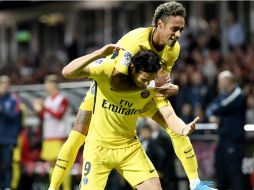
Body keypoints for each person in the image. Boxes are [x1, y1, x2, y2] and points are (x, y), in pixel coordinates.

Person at [49, 2, 215, 190]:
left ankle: (195, 182)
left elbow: (161, 80)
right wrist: (151, 84)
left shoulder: (173, 50)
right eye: (175, 29)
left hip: (141, 99)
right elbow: (117, 82)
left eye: (181, 30)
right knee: (77, 135)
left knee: (175, 126)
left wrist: (170, 88)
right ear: (160, 24)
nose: (178, 35)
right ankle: (53, 187)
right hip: (104, 93)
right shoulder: (133, 43)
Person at [62, 43, 199, 190]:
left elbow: (169, 116)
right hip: (98, 149)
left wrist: (183, 129)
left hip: (128, 148)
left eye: (150, 80)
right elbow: (67, 72)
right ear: (133, 68)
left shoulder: (152, 88)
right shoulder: (107, 72)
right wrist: (99, 53)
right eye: (144, 79)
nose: (146, 84)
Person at [206, 70, 246, 190]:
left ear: (227, 81)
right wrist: (212, 116)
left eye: (220, 81)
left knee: (235, 176)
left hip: (234, 141)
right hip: (223, 139)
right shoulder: (223, 95)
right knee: (221, 174)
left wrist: (215, 113)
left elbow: (220, 107)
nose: (218, 83)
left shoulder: (238, 94)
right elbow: (210, 109)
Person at [33, 75, 72, 190]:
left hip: (60, 136)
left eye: (47, 84)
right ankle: (53, 187)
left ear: (53, 85)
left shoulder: (62, 99)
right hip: (48, 137)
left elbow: (58, 115)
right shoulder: (47, 100)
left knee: (62, 165)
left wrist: (44, 107)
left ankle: (66, 188)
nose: (46, 87)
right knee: (51, 165)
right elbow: (43, 117)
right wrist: (38, 111)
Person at [0, 75, 22, 190]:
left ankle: (8, 186)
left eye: (6, 84)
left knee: (8, 164)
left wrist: (3, 110)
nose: (4, 86)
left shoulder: (13, 100)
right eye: (2, 84)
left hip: (8, 138)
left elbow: (15, 115)